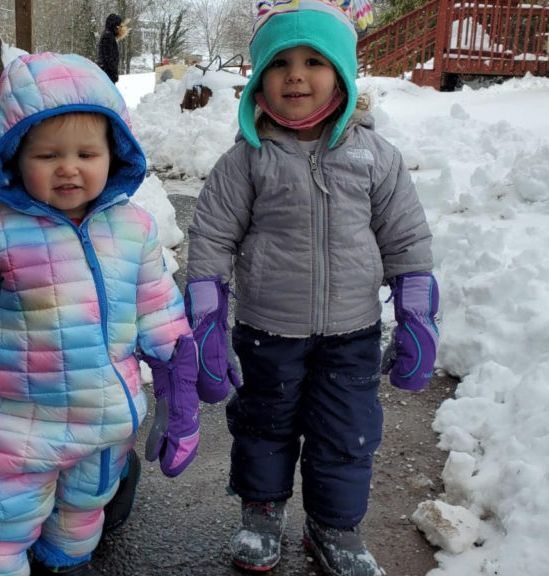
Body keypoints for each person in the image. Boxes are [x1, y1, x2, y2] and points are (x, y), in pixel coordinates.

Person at [0, 52, 200, 576]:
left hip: (104, 426)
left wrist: (177, 395)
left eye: (86, 153)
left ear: (114, 153)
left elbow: (161, 315)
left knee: (80, 519)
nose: (69, 167)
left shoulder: (134, 229)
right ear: (12, 156)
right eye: (48, 155)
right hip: (15, 428)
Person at [184, 0, 439, 574]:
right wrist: (206, 321)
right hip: (267, 329)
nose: (296, 75)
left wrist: (418, 315)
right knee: (263, 427)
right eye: (280, 63)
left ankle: (334, 527)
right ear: (259, 81)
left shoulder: (377, 157)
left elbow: (406, 241)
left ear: (343, 74)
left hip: (352, 332)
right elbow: (211, 241)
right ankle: (261, 513)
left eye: (314, 61)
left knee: (346, 436)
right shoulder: (245, 161)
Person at [0, 85, 144, 535]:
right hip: (27, 388)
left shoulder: (115, 223)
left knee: (91, 468)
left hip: (90, 399)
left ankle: (89, 510)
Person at [96, 14, 129, 84]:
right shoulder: (108, 37)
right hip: (107, 75)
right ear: (115, 26)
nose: (120, 28)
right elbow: (108, 58)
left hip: (106, 74)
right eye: (119, 26)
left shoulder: (109, 35)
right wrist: (113, 73)